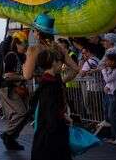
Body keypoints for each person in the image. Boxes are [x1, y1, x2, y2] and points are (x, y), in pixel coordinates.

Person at [23, 13, 79, 160]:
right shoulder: (59, 48)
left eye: (34, 30)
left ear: (37, 32)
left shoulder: (34, 49)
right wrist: (61, 80)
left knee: (44, 129)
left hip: (45, 92)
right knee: (59, 125)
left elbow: (27, 75)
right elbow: (75, 69)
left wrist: (26, 65)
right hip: (59, 90)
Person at [0, 32, 28, 150]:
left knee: (24, 115)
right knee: (21, 113)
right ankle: (8, 134)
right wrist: (23, 77)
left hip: (15, 88)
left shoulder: (21, 56)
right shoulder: (11, 55)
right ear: (17, 44)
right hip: (9, 88)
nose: (26, 46)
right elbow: (7, 75)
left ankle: (11, 139)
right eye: (24, 44)